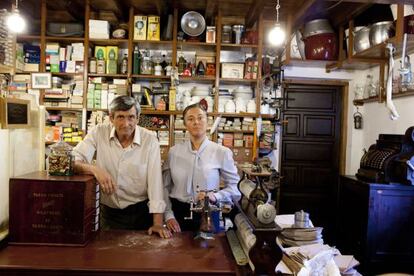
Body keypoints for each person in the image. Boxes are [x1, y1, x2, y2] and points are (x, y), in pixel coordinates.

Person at [73, 95, 171, 238]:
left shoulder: (149, 139)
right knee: (107, 255)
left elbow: (155, 182)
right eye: (120, 117)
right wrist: (94, 170)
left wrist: (157, 223)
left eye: (131, 117)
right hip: (108, 212)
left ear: (138, 118)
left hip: (140, 212)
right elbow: (72, 160)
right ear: (111, 118)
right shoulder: (98, 132)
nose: (126, 123)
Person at [163, 103, 241, 233]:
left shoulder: (221, 152)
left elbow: (235, 188)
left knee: (209, 252)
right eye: (190, 119)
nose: (196, 122)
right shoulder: (174, 152)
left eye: (200, 117)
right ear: (185, 124)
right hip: (178, 214)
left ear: (208, 121)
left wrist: (216, 196)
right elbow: (164, 187)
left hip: (208, 213)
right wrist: (168, 215)